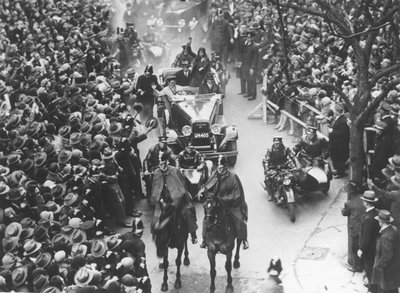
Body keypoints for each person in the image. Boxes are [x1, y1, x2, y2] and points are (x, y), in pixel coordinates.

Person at [199, 155, 249, 250]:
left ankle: (244, 239)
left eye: (221, 167)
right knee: (207, 217)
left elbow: (237, 193)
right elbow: (208, 186)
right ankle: (204, 239)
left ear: (225, 166)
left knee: (240, 220)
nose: (219, 169)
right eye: (218, 166)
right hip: (216, 202)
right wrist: (203, 193)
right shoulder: (214, 174)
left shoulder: (233, 177)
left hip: (230, 203)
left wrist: (224, 199)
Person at [151, 153, 198, 244]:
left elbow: (183, 186)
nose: (160, 165)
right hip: (163, 200)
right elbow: (154, 188)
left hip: (177, 199)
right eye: (159, 162)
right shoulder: (156, 173)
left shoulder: (175, 171)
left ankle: (193, 234)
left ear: (166, 161)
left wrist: (176, 200)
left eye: (162, 161)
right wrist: (159, 199)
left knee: (187, 212)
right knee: (157, 218)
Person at [371, 210, 400, 293]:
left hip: (386, 272)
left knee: (386, 289)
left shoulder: (385, 236)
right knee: (393, 289)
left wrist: (377, 265)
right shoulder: (395, 229)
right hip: (394, 268)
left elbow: (386, 257)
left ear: (381, 222)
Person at [358, 190, 380, 293]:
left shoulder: (368, 218)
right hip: (375, 245)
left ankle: (372, 289)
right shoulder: (376, 213)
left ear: (366, 203)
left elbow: (366, 238)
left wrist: (361, 249)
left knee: (369, 269)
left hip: (369, 249)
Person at [341, 182, 365, 273]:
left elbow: (345, 213)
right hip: (365, 227)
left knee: (355, 248)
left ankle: (357, 266)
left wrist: (343, 209)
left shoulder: (349, 203)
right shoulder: (363, 198)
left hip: (356, 229)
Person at [262, 136, 295, 201]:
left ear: (281, 143)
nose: (276, 144)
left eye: (278, 143)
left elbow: (293, 157)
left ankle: (293, 190)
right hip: (273, 167)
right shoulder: (270, 149)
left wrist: (297, 165)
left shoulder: (286, 148)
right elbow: (266, 160)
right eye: (275, 143)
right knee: (268, 178)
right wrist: (266, 169)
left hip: (285, 166)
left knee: (294, 176)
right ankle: (270, 194)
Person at [328, 102, 350, 178]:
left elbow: (343, 133)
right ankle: (337, 169)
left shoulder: (343, 120)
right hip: (335, 142)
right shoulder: (338, 118)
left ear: (338, 111)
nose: (333, 111)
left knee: (339, 158)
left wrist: (332, 131)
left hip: (340, 144)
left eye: (335, 110)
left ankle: (341, 172)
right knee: (335, 157)